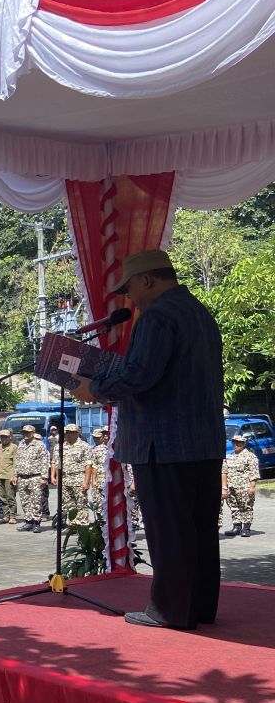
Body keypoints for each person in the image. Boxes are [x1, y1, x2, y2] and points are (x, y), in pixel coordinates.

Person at [72, 248, 225, 631]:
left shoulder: (157, 316)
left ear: (148, 280)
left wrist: (96, 388)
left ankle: (170, 611)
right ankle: (200, 607)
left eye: (131, 289)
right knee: (200, 530)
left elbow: (140, 375)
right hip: (202, 442)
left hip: (164, 443)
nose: (130, 298)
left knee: (169, 529)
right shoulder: (200, 313)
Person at [50, 424, 91, 527]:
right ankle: (72, 524)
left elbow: (88, 465)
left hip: (78, 478)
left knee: (81, 503)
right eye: (68, 432)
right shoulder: (60, 447)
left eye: (72, 432)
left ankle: (82, 525)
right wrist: (53, 476)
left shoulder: (84, 446)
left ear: (77, 433)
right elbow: (55, 462)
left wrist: (86, 482)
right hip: (65, 478)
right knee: (68, 504)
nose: (69, 434)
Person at [222, 433, 259, 538]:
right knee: (234, 507)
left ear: (243, 444)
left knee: (246, 507)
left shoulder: (250, 457)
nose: (236, 444)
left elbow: (254, 473)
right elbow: (224, 471)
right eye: (234, 442)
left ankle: (246, 528)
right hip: (231, 487)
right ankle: (236, 527)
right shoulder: (229, 457)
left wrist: (252, 487)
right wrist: (225, 487)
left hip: (244, 487)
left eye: (239, 443)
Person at [14, 425, 48, 533]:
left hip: (35, 477)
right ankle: (28, 521)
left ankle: (36, 522)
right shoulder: (21, 444)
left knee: (36, 501)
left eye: (28, 432)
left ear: (33, 433)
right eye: (24, 432)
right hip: (22, 477)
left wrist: (44, 477)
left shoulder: (39, 445)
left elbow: (44, 461)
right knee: (25, 501)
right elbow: (17, 461)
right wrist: (15, 475)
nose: (26, 434)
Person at [0, 429, 17, 525]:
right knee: (2, 497)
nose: (4, 438)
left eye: (6, 436)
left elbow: (15, 462)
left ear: (10, 437)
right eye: (2, 437)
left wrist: (14, 475)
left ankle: (13, 516)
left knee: (10, 497)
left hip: (9, 475)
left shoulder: (14, 447)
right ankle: (6, 516)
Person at [86, 428, 108, 520]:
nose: (96, 439)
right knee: (97, 501)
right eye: (94, 438)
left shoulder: (106, 449)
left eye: (98, 438)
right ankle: (100, 520)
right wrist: (93, 480)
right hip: (97, 479)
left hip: (104, 478)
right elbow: (92, 466)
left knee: (104, 501)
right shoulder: (93, 449)